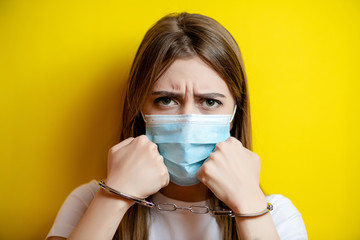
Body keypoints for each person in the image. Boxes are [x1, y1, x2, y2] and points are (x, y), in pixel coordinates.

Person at [46, 12, 308, 240]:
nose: (188, 119)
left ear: (235, 114)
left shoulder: (278, 216)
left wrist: (249, 207)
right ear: (140, 109)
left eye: (210, 101)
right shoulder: (88, 203)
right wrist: (116, 197)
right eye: (166, 100)